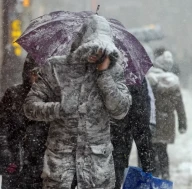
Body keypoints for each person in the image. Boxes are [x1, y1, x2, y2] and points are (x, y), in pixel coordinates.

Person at [23, 15, 131, 189]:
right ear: (82, 42)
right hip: (61, 168)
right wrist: (58, 109)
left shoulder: (114, 72)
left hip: (96, 171)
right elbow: (30, 107)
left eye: (100, 49)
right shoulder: (56, 67)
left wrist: (103, 75)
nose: (94, 53)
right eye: (91, 48)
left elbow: (120, 110)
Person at [0, 55, 49, 189]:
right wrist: (7, 155)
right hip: (16, 163)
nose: (37, 78)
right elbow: (2, 127)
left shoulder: (51, 98)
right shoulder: (13, 94)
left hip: (42, 165)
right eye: (34, 73)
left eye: (42, 74)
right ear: (27, 73)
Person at [146, 49, 187, 180]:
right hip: (167, 120)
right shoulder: (173, 82)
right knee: (162, 150)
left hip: (150, 120)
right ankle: (165, 174)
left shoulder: (148, 79)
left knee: (148, 150)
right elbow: (179, 105)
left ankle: (152, 175)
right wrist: (182, 123)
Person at [111, 78, 155, 189]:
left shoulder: (116, 77)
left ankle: (118, 183)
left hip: (122, 124)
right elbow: (148, 100)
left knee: (120, 158)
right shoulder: (139, 77)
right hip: (138, 122)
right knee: (145, 156)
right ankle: (147, 181)